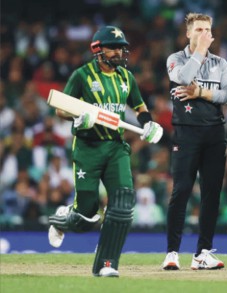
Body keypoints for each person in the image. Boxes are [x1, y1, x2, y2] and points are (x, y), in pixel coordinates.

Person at [47, 26, 163, 277]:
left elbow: (140, 106)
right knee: (86, 217)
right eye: (114, 47)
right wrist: (79, 115)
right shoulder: (82, 76)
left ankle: (106, 264)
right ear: (98, 50)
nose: (120, 52)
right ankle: (61, 218)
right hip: (88, 147)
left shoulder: (126, 77)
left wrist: (149, 123)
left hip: (115, 147)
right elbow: (60, 109)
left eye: (122, 47)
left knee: (122, 205)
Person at [162, 13, 227, 270]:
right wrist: (200, 52)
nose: (204, 34)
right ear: (188, 33)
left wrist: (202, 93)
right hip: (186, 133)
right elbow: (182, 78)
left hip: (215, 134)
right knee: (181, 190)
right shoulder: (176, 59)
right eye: (199, 30)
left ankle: (203, 252)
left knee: (211, 194)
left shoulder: (221, 63)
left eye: (208, 30)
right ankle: (172, 252)